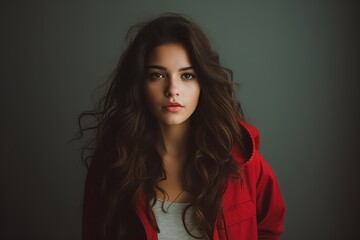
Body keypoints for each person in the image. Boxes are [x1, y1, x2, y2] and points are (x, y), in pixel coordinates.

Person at [78, 13, 285, 240]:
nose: (172, 89)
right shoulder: (113, 163)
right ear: (140, 85)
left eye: (187, 75)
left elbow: (269, 227)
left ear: (202, 83)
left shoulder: (241, 159)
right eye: (157, 75)